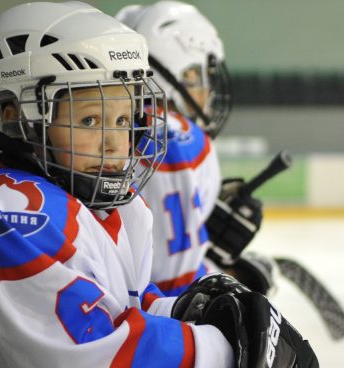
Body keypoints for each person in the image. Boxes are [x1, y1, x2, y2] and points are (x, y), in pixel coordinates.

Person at [0, 2, 318, 368]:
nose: (117, 143)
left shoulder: (105, 211)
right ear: (17, 117)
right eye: (90, 119)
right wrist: (232, 353)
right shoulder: (1, 216)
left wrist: (192, 311)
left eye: (125, 118)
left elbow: (119, 309)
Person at [118, 1, 276, 297]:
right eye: (201, 76)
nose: (208, 91)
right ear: (183, 74)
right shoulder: (179, 140)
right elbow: (173, 290)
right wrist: (229, 274)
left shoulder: (116, 125)